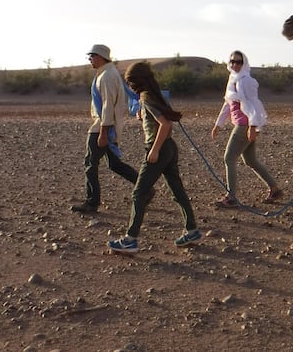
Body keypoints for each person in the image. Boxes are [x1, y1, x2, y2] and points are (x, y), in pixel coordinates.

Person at [107, 62, 200, 253]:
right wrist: (144, 117)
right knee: (177, 190)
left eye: (130, 82)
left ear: (137, 81)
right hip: (170, 147)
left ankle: (130, 239)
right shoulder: (154, 95)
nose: (129, 85)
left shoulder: (147, 97)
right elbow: (163, 121)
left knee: (139, 193)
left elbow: (165, 124)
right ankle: (192, 230)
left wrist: (155, 150)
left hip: (159, 149)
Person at [71, 44, 139, 214]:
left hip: (101, 127)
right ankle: (145, 188)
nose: (90, 59)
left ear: (101, 56)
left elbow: (108, 106)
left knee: (90, 164)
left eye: (92, 56)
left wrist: (103, 133)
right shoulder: (107, 73)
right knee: (114, 164)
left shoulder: (107, 76)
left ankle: (92, 202)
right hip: (108, 127)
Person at [211, 50, 282, 208]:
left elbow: (254, 104)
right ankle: (275, 189)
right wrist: (218, 125)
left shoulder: (246, 81)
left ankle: (231, 197)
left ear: (244, 63)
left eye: (238, 62)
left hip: (245, 125)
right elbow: (227, 104)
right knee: (250, 160)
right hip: (244, 125)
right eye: (232, 61)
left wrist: (253, 127)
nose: (235, 65)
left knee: (229, 158)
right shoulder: (233, 79)